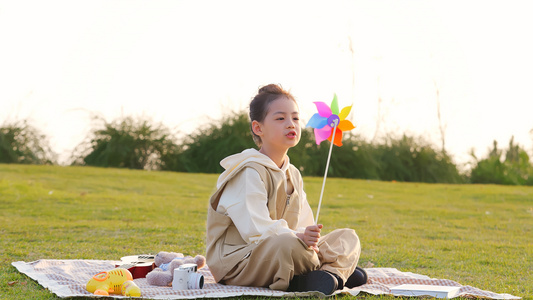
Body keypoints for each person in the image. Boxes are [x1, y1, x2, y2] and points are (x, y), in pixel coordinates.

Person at [206, 84, 367, 295]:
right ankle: (331, 271)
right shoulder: (249, 171)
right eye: (280, 118)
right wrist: (299, 237)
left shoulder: (293, 173)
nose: (291, 124)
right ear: (258, 128)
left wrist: (310, 239)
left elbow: (304, 224)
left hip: (286, 249)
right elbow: (256, 230)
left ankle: (329, 276)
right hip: (241, 261)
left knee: (348, 237)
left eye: (296, 118)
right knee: (286, 244)